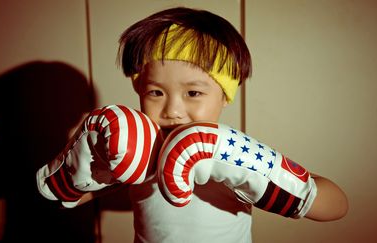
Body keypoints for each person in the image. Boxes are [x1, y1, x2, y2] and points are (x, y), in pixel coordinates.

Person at [36, 6, 348, 243]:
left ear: (225, 95)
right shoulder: (136, 149)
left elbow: (336, 206)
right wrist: (86, 161)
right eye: (156, 92)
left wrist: (248, 164)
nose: (173, 110)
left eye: (193, 92)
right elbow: (66, 201)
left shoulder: (235, 155)